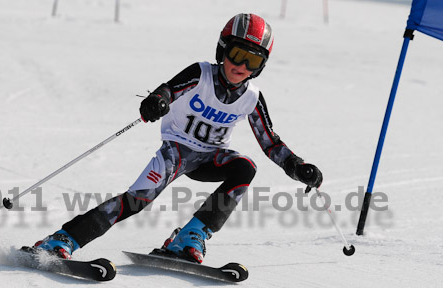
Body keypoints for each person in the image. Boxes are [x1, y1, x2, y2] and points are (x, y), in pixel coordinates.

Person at [29, 13, 322, 263]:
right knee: (137, 200)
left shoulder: (252, 98)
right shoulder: (201, 74)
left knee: (245, 167)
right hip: (177, 152)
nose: (242, 66)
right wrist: (156, 101)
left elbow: (270, 142)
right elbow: (169, 90)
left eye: (253, 60)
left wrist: (297, 166)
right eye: (237, 54)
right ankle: (62, 240)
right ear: (222, 49)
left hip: (211, 158)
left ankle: (191, 236)